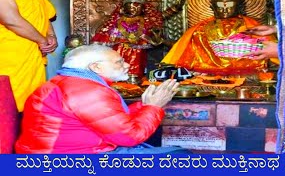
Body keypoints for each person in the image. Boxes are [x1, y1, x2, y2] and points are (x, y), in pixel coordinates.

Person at [15, 44, 191, 154]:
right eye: (119, 62)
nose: (127, 65)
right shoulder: (86, 91)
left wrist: (144, 105)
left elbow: (106, 119)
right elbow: (130, 137)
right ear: (96, 66)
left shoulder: (67, 82)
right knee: (180, 157)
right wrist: (153, 107)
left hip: (52, 152)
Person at [161, 0, 278, 75]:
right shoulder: (199, 30)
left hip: (247, 74)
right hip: (207, 73)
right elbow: (184, 56)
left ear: (238, 6)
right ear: (212, 7)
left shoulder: (252, 27)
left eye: (230, 3)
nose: (225, 8)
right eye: (220, 4)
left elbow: (273, 58)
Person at [0, 0, 58, 112]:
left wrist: (51, 36)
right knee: (7, 107)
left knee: (30, 107)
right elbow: (11, 20)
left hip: (32, 62)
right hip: (9, 58)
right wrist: (42, 40)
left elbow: (45, 16)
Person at [91, 0, 164, 79]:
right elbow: (107, 34)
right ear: (123, 8)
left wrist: (153, 37)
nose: (134, 9)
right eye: (130, 7)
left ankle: (134, 80)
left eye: (138, 7)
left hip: (137, 49)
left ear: (143, 9)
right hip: (119, 47)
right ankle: (117, 80)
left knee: (136, 67)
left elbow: (154, 39)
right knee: (118, 64)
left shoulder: (146, 21)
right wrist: (118, 39)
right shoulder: (117, 20)